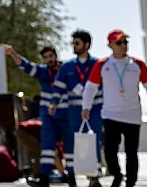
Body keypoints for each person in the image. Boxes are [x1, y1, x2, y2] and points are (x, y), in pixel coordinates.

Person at [81, 29, 147, 187]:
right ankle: (117, 174)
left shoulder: (137, 64)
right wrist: (86, 107)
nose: (123, 45)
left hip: (132, 115)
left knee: (132, 152)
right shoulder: (103, 64)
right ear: (110, 45)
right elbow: (90, 88)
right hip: (110, 115)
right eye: (119, 42)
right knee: (110, 150)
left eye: (125, 42)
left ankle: (131, 182)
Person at [3, 44, 74, 187]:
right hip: (48, 115)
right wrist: (12, 54)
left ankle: (71, 177)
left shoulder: (66, 69)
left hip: (66, 114)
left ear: (56, 55)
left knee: (69, 147)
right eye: (46, 57)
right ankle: (44, 178)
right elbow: (26, 66)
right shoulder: (43, 72)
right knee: (47, 147)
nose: (49, 60)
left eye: (51, 56)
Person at [57, 30, 105, 182]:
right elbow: (58, 86)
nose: (74, 46)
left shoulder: (98, 65)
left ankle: (94, 177)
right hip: (75, 112)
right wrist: (53, 102)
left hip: (95, 111)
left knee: (94, 142)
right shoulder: (67, 67)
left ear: (87, 45)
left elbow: (105, 87)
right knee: (75, 143)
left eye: (77, 43)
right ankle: (72, 176)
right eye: (73, 43)